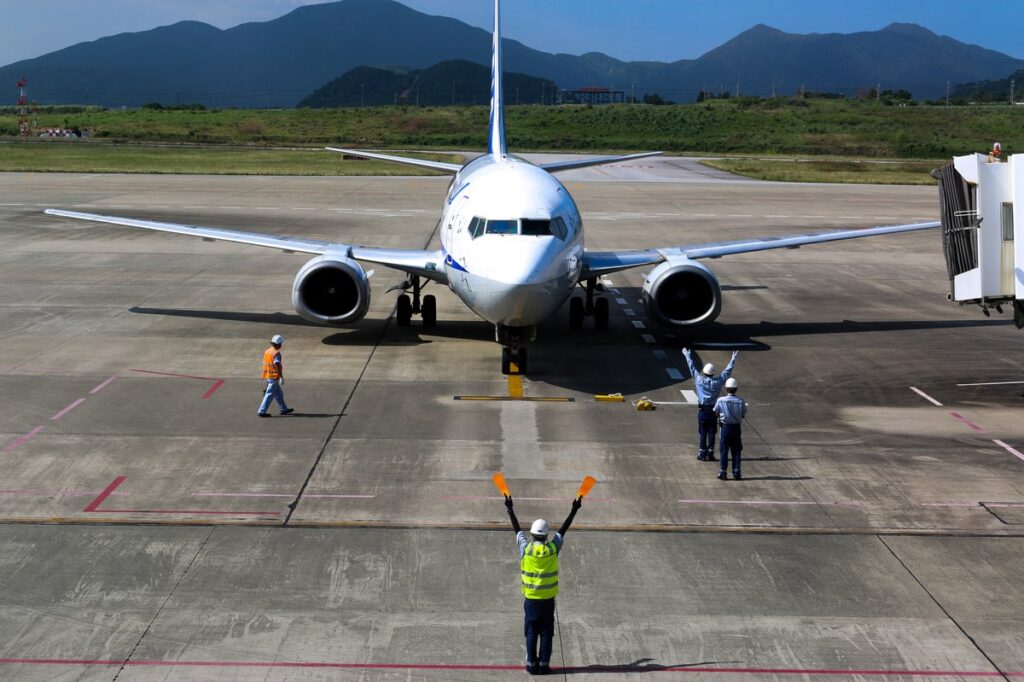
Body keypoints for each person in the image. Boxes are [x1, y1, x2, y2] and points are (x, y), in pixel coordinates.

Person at [503, 494, 582, 675]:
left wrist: (510, 509)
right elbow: (563, 530)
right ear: (546, 536)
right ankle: (544, 664)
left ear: (532, 534)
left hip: (531, 600)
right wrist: (574, 510)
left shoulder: (526, 549)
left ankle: (531, 664)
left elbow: (517, 531)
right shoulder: (552, 549)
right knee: (547, 633)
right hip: (547, 600)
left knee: (531, 632)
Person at [681, 348, 739, 461]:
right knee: (712, 432)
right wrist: (733, 359)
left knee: (702, 432)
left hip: (702, 410)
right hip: (714, 410)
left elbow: (692, 367)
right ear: (713, 373)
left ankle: (702, 453)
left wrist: (687, 355)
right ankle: (710, 453)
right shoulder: (717, 382)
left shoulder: (699, 380)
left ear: (704, 371)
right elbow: (727, 372)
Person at [713, 377, 747, 480]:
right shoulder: (740, 401)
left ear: (726, 388)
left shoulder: (721, 400)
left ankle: (723, 472)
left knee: (724, 451)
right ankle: (737, 472)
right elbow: (743, 414)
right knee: (736, 451)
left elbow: (715, 412)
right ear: (736, 389)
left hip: (725, 428)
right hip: (736, 428)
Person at [257, 334, 294, 417]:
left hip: (268, 375)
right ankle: (261, 411)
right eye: (280, 343)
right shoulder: (276, 353)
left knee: (278, 394)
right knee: (269, 394)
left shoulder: (268, 351)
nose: (281, 345)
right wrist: (281, 377)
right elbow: (277, 364)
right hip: (274, 376)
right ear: (278, 344)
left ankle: (283, 409)